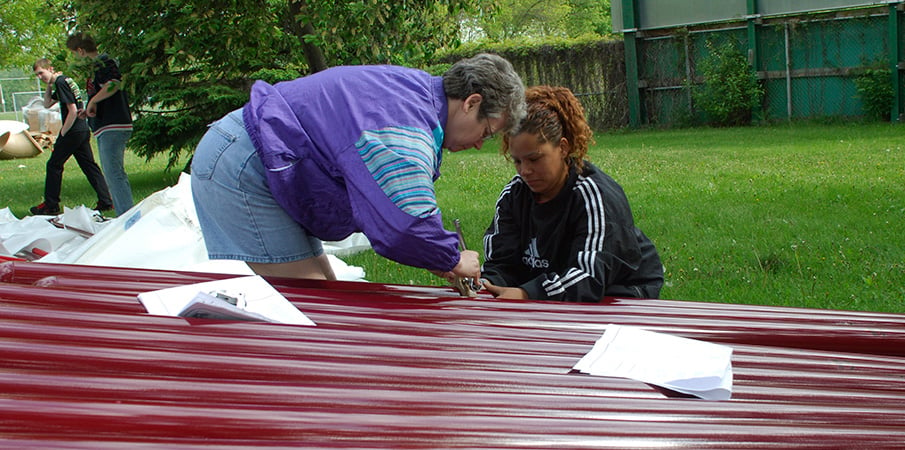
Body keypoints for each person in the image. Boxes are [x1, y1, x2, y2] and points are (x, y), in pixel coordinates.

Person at [191, 53, 526, 281]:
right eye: (487, 132)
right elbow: (405, 223)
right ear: (472, 103)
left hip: (258, 156)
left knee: (329, 292)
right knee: (310, 307)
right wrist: (453, 259)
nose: (481, 143)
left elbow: (378, 201)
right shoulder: (407, 124)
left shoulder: (415, 96)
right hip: (246, 164)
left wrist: (435, 259)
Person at [481, 85, 664, 302]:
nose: (525, 171)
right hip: (552, 291)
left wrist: (527, 293)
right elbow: (502, 263)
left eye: (534, 159)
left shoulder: (594, 196)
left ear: (563, 148)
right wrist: (486, 285)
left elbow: (589, 277)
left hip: (619, 292)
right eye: (517, 161)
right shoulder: (514, 196)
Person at [30, 58, 113, 216]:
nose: (40, 77)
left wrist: (62, 133)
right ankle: (106, 201)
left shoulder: (61, 82)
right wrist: (48, 85)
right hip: (82, 129)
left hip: (73, 130)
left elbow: (73, 110)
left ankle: (51, 205)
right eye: (37, 75)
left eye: (42, 73)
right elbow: (47, 104)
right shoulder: (63, 81)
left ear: (51, 69)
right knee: (89, 166)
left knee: (54, 165)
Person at [66, 32, 134, 216]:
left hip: (114, 125)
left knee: (114, 174)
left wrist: (94, 101)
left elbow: (113, 84)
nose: (75, 58)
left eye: (74, 53)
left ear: (81, 51)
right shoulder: (96, 68)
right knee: (111, 174)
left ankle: (127, 217)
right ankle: (125, 215)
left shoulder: (104, 63)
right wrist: (89, 109)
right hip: (104, 125)